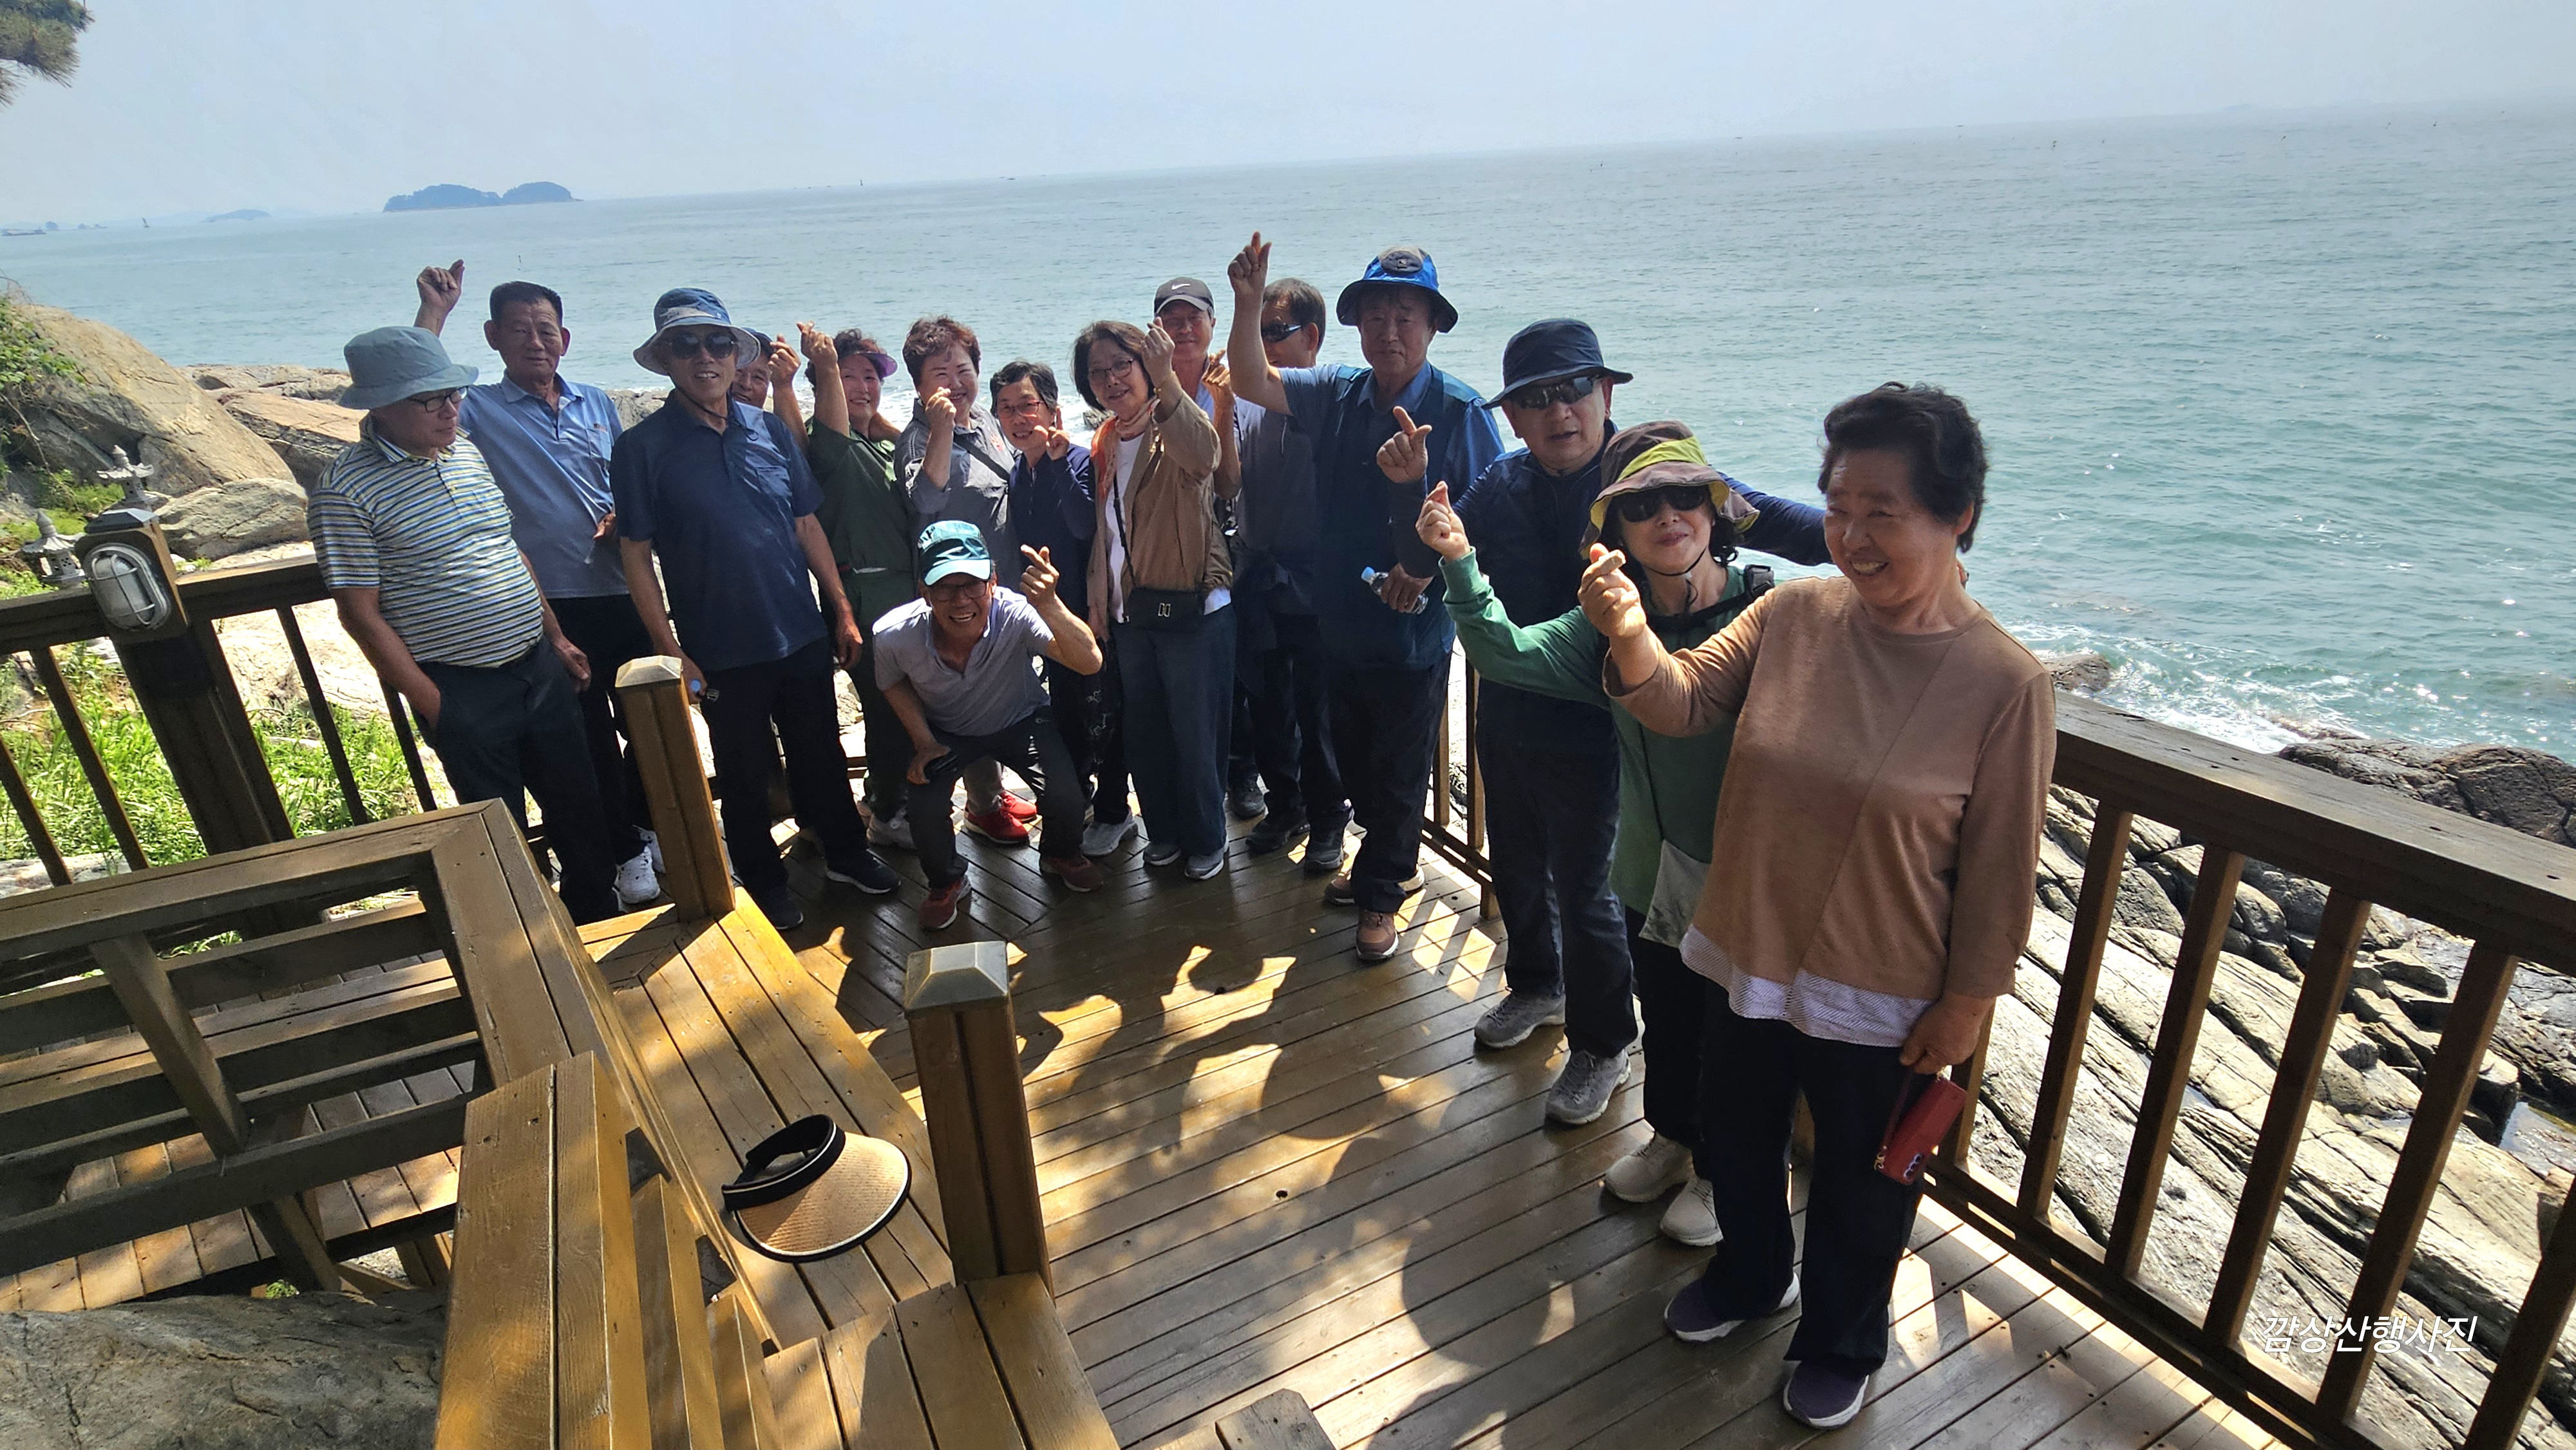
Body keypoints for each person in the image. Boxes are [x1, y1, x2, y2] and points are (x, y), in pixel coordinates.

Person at [1586, 384, 2053, 1429]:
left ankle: (1842, 1338)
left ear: (1959, 515)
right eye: (1838, 508)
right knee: (1736, 1138)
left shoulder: (2004, 682)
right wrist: (1627, 631)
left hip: (1884, 989)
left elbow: (2000, 870)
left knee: (1863, 1179)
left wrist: (1967, 1006)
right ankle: (1752, 1277)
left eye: (1884, 511)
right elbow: (1680, 700)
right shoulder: (1794, 612)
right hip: (1746, 949)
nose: (1851, 535)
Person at [1452, 321, 1836, 1126]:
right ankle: (1537, 985)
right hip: (1512, 705)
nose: (1558, 410)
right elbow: (1441, 548)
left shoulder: (1651, 475)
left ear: (1605, 393)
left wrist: (1888, 554)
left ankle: (1602, 1041)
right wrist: (1413, 528)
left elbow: (1785, 524)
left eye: (1573, 389)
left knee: (1593, 891)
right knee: (1516, 862)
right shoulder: (1499, 481)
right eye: (1534, 398)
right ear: (1513, 416)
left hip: (1613, 727)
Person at [1419, 420, 1783, 1241]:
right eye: (1641, 506)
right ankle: (1673, 1138)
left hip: (1743, 879)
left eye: (1684, 496)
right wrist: (1459, 559)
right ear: (1614, 530)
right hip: (1649, 867)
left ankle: (1722, 1175)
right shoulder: (1605, 624)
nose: (1667, 516)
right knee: (1670, 1020)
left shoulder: (1769, 611)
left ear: (1716, 510)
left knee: (1737, 1040)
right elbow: (1506, 653)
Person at [1224, 235, 1504, 962]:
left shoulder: (1462, 410)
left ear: (1433, 325)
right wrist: (1248, 302)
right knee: (1349, 757)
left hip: (1412, 631)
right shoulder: (1339, 391)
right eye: (1376, 316)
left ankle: (1382, 891)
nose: (1390, 331)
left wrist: (1432, 569)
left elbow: (1492, 514)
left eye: (1406, 316)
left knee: (1400, 767)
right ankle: (1386, 856)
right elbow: (1251, 380)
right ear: (1355, 326)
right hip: (1337, 617)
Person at [308, 325, 620, 923]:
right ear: (381, 405)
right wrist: (436, 705)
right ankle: (531, 943)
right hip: (459, 684)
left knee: (581, 807)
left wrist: (555, 637)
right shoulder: (344, 490)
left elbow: (508, 548)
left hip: (537, 664)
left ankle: (598, 917)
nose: (450, 409)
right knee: (497, 831)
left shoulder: (466, 452)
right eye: (431, 400)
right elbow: (360, 614)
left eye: (453, 394)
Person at [609, 287, 898, 931]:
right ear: (665, 358)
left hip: (798, 630)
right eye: (686, 344)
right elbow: (636, 554)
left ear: (735, 355)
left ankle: (848, 854)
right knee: (742, 774)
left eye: (717, 342)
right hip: (717, 646)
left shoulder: (767, 429)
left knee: (822, 753)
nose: (704, 356)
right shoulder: (642, 448)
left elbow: (806, 523)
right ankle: (765, 882)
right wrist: (670, 650)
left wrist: (841, 609)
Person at [409, 259, 658, 911]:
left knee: (652, 719)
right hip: (551, 603)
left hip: (621, 587)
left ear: (565, 339)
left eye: (546, 329)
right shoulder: (478, 410)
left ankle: (651, 824)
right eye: (519, 330)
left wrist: (622, 515)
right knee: (589, 737)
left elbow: (623, 480)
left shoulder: (595, 402)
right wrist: (434, 314)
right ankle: (625, 850)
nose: (535, 341)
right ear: (493, 337)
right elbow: (417, 391)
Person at [873, 522, 1106, 928]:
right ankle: (947, 881)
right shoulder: (893, 635)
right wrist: (923, 741)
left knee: (1067, 795)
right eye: (945, 587)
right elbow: (891, 682)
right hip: (947, 731)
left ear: (993, 582)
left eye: (973, 584)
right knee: (924, 805)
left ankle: (1060, 853)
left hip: (1021, 719)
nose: (961, 600)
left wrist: (1050, 604)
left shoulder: (1016, 613)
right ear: (923, 591)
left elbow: (1090, 663)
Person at [1073, 319, 1239, 880]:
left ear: (1147, 367)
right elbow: (1107, 533)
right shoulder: (1104, 440)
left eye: (1123, 364)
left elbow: (1206, 456)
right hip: (1132, 614)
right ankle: (1165, 832)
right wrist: (1099, 603)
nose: (1112, 379)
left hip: (1192, 609)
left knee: (1196, 735)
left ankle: (1207, 838)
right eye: (1098, 371)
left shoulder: (1173, 426)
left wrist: (1169, 381)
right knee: (1146, 733)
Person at [895, 315, 1035, 847]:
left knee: (1003, 685)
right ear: (919, 385)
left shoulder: (987, 421)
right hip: (959, 596)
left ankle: (990, 794)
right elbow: (926, 497)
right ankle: (982, 807)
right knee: (971, 694)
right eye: (940, 373)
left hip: (1005, 586)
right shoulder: (918, 438)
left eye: (963, 369)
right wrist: (942, 428)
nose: (955, 383)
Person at [991, 359, 1137, 858]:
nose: (1018, 418)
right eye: (1006, 408)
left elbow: (1083, 526)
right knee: (1070, 714)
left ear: (1052, 409)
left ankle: (1116, 813)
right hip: (1048, 619)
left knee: (1106, 716)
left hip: (1089, 613)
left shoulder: (1076, 459)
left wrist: (1056, 462)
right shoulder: (1019, 470)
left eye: (1027, 405)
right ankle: (1086, 801)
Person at [1232, 277, 1346, 867]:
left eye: (1276, 332)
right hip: (1259, 577)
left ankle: (1329, 819)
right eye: (1260, 334)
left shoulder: (1330, 401)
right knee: (1268, 706)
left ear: (1313, 337)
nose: (1266, 345)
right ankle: (1286, 806)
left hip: (1314, 582)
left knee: (1316, 711)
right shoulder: (1247, 402)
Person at [799, 325, 918, 846]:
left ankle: (884, 795)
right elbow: (834, 434)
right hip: (861, 598)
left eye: (870, 377)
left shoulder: (887, 446)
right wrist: (825, 365)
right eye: (847, 377)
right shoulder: (825, 445)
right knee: (888, 707)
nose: (862, 387)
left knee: (909, 705)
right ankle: (889, 814)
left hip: (908, 595)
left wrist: (889, 429)